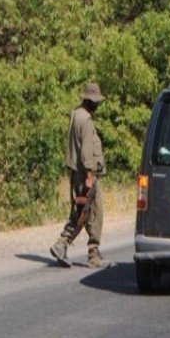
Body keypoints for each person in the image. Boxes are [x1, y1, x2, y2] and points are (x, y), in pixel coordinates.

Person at [50, 83, 111, 268]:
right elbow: (86, 152)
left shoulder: (75, 114)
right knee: (93, 213)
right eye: (95, 102)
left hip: (77, 172)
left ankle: (62, 244)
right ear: (90, 101)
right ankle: (92, 254)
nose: (97, 105)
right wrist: (90, 176)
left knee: (81, 211)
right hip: (86, 173)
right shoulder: (85, 120)